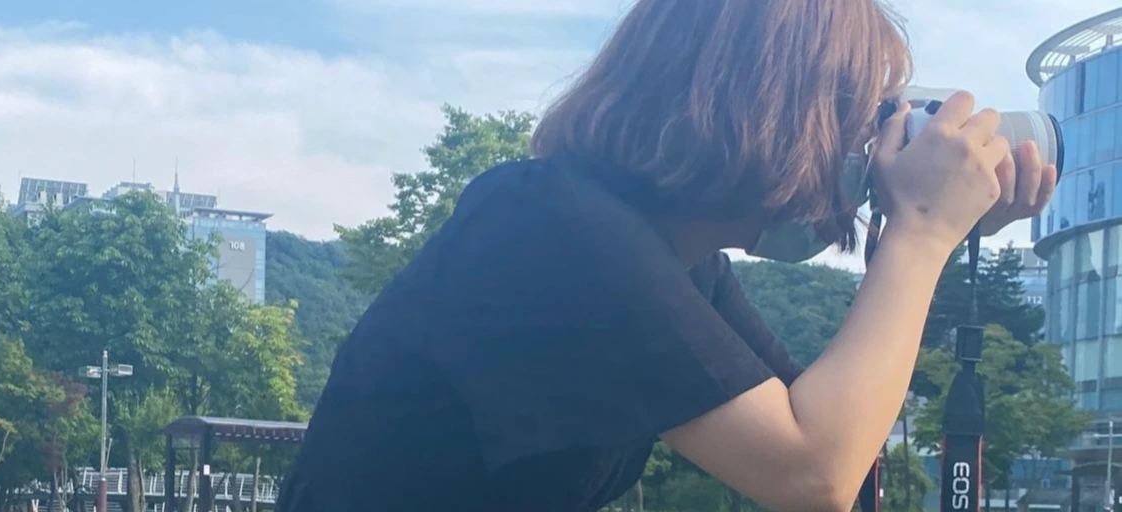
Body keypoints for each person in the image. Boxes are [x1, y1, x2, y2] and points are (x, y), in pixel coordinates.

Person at [276, 1, 1058, 511]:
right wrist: (919, 232)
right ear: (770, 104)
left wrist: (925, 232)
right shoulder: (546, 223)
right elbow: (807, 474)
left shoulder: (680, 261)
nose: (861, 150)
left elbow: (835, 442)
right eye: (856, 117)